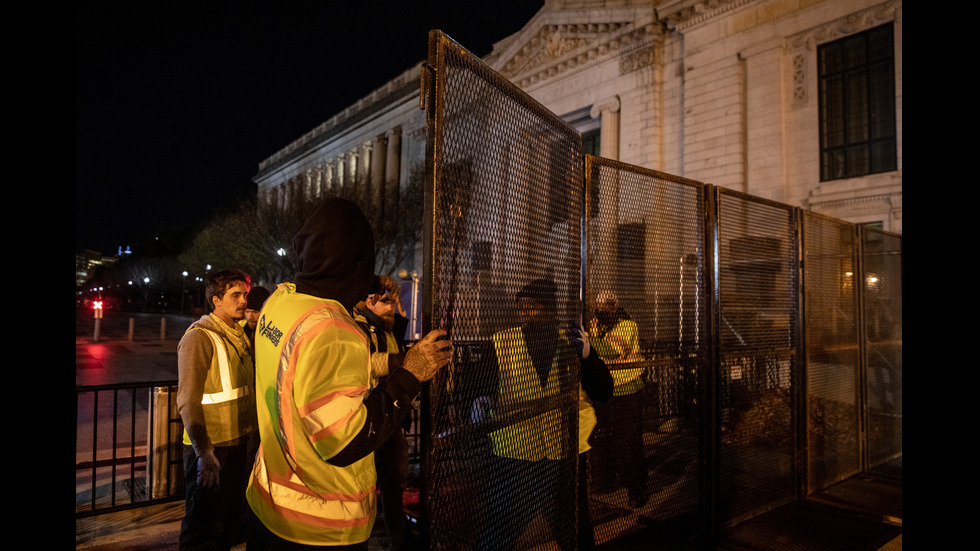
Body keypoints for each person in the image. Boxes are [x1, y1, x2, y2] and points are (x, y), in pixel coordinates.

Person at [245, 198, 454, 550]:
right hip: (320, 523)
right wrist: (410, 377)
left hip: (269, 503)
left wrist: (398, 363)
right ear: (359, 263)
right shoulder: (334, 329)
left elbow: (309, 376)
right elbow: (345, 441)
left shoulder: (280, 302)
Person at [474, 278, 611, 551]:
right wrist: (480, 401)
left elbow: (603, 391)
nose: (525, 312)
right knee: (500, 531)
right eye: (522, 306)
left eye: (533, 306)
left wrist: (588, 355)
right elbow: (479, 388)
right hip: (516, 455)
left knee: (575, 530)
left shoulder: (570, 343)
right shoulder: (502, 342)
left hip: (565, 453)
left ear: (549, 309)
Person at [176, 269, 258, 551]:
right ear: (216, 300)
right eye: (235, 295)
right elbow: (187, 400)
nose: (243, 301)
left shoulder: (238, 334)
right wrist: (204, 452)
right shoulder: (200, 337)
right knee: (202, 528)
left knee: (228, 525)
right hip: (212, 450)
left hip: (238, 443)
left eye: (244, 295)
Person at [352, 274, 413, 550]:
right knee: (366, 485)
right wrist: (403, 362)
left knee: (393, 483)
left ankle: (397, 536)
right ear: (369, 301)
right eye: (385, 301)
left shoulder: (388, 328)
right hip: (371, 414)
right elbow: (367, 363)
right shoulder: (360, 328)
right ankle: (364, 536)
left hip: (391, 416)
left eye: (394, 301)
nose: (392, 307)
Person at [589, 290, 649, 508]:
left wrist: (586, 339)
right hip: (603, 389)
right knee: (602, 437)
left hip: (627, 388)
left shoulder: (627, 325)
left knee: (628, 438)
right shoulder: (595, 324)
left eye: (606, 306)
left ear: (615, 307)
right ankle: (604, 480)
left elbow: (613, 350)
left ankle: (636, 487)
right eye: (599, 306)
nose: (602, 309)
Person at [242, 285, 270, 350]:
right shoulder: (240, 330)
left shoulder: (269, 336)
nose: (249, 317)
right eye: (247, 312)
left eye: (255, 312)